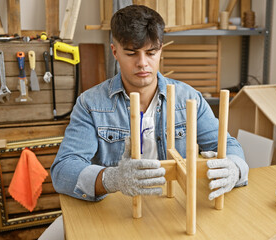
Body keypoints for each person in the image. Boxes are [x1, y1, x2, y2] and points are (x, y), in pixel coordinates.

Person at [51, 5, 248, 205]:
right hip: (117, 212)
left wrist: (234, 167)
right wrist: (112, 179)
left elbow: (228, 146)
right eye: (131, 53)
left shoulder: (189, 99)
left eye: (151, 52)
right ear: (115, 51)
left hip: (171, 208)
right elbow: (63, 170)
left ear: (161, 49)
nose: (143, 63)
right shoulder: (90, 104)